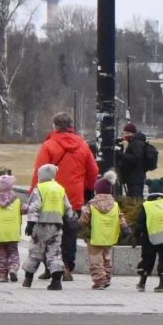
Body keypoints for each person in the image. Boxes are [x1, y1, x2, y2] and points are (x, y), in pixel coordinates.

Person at [31, 111, 98, 282]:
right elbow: (93, 171)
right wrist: (88, 189)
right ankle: (67, 267)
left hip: (49, 198)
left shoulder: (49, 145)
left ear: (55, 126)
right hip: (74, 197)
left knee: (48, 233)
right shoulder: (83, 145)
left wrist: (34, 194)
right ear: (71, 126)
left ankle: (50, 268)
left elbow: (39, 171)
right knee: (69, 234)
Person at [79, 171, 130, 290]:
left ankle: (99, 280)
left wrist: (78, 224)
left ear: (97, 190)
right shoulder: (115, 205)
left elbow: (85, 218)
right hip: (109, 235)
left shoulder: (92, 204)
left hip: (95, 235)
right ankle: (107, 277)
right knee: (107, 257)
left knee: (96, 259)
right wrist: (125, 228)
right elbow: (120, 218)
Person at [22, 163, 69, 290]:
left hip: (41, 225)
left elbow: (34, 207)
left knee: (35, 252)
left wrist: (30, 223)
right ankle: (56, 281)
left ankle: (28, 279)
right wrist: (70, 220)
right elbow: (67, 207)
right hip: (57, 226)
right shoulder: (60, 188)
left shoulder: (40, 188)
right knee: (55, 253)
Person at [136, 176, 163, 292]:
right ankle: (162, 285)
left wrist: (135, 236)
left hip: (149, 238)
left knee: (147, 259)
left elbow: (140, 222)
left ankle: (142, 283)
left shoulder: (147, 205)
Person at [0, 174, 25, 283]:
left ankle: (2, 275)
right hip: (12, 232)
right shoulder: (17, 201)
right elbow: (26, 209)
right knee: (13, 252)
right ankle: (13, 268)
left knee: (1, 254)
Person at [117, 123, 148, 198]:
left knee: (136, 199)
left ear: (133, 134)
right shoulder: (131, 142)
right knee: (131, 198)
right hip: (131, 177)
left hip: (136, 178)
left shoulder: (137, 144)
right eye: (124, 133)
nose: (124, 135)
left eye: (127, 133)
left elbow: (135, 159)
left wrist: (122, 152)